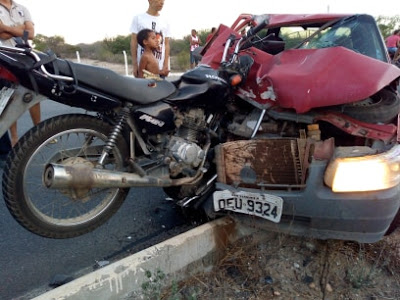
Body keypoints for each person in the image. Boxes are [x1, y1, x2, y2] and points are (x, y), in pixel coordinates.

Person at [0, 0, 40, 147]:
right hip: (5, 57)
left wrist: (6, 27)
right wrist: (21, 28)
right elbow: (2, 36)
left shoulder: (22, 8)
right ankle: (14, 137)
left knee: (33, 90)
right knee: (11, 95)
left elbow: (31, 34)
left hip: (24, 55)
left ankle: (39, 130)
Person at [130, 0, 170, 78]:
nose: (162, 2)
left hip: (159, 69)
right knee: (142, 89)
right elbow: (133, 42)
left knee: (160, 89)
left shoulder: (165, 21)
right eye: (159, 0)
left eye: (163, 0)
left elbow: (166, 44)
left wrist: (166, 64)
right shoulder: (138, 18)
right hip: (143, 68)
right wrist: (135, 65)